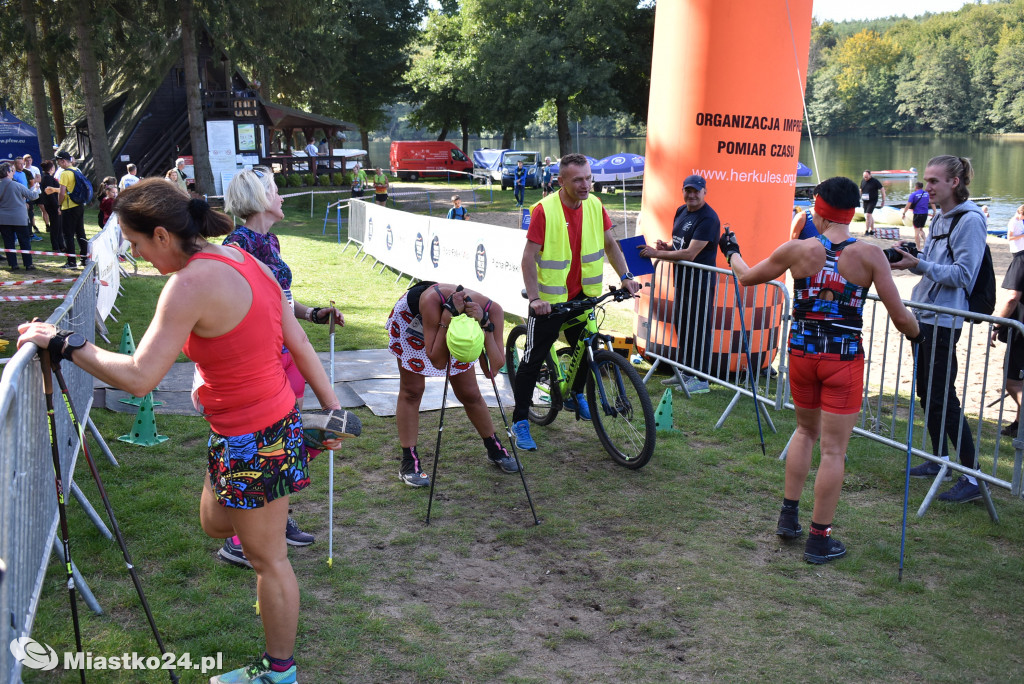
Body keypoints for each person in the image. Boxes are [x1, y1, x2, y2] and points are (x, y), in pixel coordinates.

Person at [17, 178, 347, 683]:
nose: (138, 255)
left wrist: (66, 343)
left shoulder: (188, 284)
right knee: (216, 525)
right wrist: (331, 406)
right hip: (256, 426)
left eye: (136, 244)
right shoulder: (246, 260)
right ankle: (296, 444)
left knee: (269, 560)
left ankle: (279, 673)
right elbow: (294, 334)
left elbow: (139, 376)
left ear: (163, 236)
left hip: (254, 435)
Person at [720, 176, 919, 563]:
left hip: (801, 356)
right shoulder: (871, 255)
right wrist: (919, 335)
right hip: (842, 361)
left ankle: (788, 517)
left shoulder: (798, 249)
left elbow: (745, 277)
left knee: (804, 431)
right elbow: (901, 319)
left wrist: (731, 250)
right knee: (833, 451)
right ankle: (818, 539)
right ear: (853, 210)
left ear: (818, 206)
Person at [217, 165, 344, 557]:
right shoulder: (235, 247)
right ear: (259, 199)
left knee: (290, 440)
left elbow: (282, 299)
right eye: (275, 190)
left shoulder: (270, 242)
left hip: (288, 352)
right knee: (263, 444)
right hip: (265, 359)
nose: (282, 196)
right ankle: (239, 537)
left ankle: (275, 515)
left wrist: (313, 314)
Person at [510, 153, 641, 451]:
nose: (586, 185)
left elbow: (610, 244)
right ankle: (520, 421)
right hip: (550, 301)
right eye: (578, 179)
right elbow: (528, 258)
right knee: (531, 361)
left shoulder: (595, 205)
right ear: (561, 181)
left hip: (584, 295)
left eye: (589, 178)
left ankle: (576, 394)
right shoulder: (545, 210)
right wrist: (535, 299)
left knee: (587, 347)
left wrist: (626, 276)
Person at [890, 155, 987, 503]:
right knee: (927, 393)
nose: (926, 188)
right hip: (925, 316)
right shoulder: (941, 215)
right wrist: (913, 260)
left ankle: (973, 477)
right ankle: (938, 459)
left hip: (944, 320)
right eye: (927, 181)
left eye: (933, 181)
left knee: (944, 397)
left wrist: (921, 264)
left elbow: (964, 275)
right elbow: (936, 266)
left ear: (954, 183)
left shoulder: (970, 220)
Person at [386, 281, 519, 486]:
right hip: (418, 320)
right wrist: (447, 319)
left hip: (462, 330)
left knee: (470, 393)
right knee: (412, 391)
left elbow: (492, 368)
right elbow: (438, 362)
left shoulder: (493, 311)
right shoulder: (432, 300)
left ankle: (494, 448)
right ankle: (408, 462)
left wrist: (486, 327)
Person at [638, 174, 720, 394]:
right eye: (688, 190)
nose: (691, 195)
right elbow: (681, 246)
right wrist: (666, 248)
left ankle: (701, 380)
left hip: (700, 283)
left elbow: (691, 254)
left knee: (698, 329)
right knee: (683, 326)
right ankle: (685, 372)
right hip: (682, 280)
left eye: (696, 191)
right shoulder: (681, 211)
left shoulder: (709, 218)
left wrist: (657, 254)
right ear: (683, 191)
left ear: (704, 192)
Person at [992, 210, 1024, 437]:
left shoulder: (1021, 259)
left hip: (1021, 330)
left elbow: (1012, 297)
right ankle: (1018, 423)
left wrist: (996, 325)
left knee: (1012, 382)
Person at [0, 162, 41, 271]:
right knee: (24, 241)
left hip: (3, 219)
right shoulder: (17, 185)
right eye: (11, 171)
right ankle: (28, 264)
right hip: (19, 219)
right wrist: (36, 189)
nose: (13, 173)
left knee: (8, 242)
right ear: (8, 172)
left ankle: (13, 264)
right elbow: (32, 196)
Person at [56, 150, 88, 269]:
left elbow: (62, 192)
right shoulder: (76, 170)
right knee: (80, 232)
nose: (59, 165)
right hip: (79, 205)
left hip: (68, 207)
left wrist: (58, 205)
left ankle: (71, 262)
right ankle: (84, 258)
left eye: (59, 162)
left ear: (63, 161)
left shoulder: (65, 173)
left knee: (68, 235)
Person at [38, 160, 64, 254]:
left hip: (53, 204)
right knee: (55, 226)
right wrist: (57, 206)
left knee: (59, 226)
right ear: (51, 168)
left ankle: (61, 245)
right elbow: (50, 194)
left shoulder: (47, 177)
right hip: (52, 205)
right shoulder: (47, 178)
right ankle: (56, 246)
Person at [902, 181, 932, 250]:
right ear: (922, 187)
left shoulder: (913, 194)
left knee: (916, 232)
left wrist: (904, 213)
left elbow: (908, 205)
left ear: (916, 187)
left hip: (917, 214)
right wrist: (934, 211)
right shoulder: (927, 194)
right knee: (921, 229)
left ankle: (918, 248)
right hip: (925, 214)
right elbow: (932, 203)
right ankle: (926, 242)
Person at [860, 170, 886, 237]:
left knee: (868, 215)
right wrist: (858, 198)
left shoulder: (875, 181)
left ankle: (866, 231)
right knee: (868, 215)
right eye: (864, 176)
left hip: (873, 200)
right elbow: (861, 190)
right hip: (865, 200)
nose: (865, 178)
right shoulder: (863, 181)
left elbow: (882, 190)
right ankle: (872, 230)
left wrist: (883, 200)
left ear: (870, 175)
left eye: (866, 176)